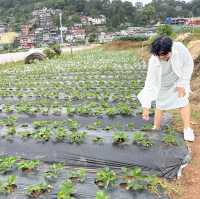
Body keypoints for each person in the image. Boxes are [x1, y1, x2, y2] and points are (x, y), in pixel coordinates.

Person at [137, 36, 195, 142]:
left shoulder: (180, 48)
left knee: (183, 101)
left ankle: (187, 128)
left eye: (164, 54)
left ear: (170, 49)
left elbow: (188, 64)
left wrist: (182, 83)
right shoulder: (154, 60)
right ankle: (156, 128)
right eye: (159, 55)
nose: (161, 57)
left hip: (178, 80)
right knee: (160, 104)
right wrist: (146, 106)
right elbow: (149, 82)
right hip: (162, 83)